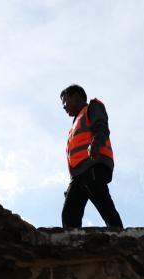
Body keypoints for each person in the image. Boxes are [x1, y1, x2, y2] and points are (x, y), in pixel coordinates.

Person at [60, 84, 124, 230]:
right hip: (78, 175)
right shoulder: (74, 124)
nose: (64, 106)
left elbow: (101, 126)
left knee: (104, 205)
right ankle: (73, 241)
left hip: (93, 165)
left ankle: (121, 235)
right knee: (69, 214)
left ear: (76, 97)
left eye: (65, 101)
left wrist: (96, 142)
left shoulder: (92, 107)